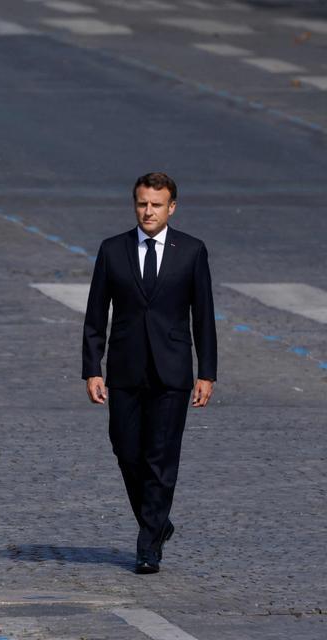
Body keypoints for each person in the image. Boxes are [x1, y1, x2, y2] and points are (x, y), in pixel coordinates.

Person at [82, 172, 217, 574]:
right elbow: (95, 317)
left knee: (162, 457)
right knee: (126, 451)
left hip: (172, 372)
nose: (148, 211)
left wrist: (206, 373)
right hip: (124, 371)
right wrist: (93, 368)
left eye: (156, 205)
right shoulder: (112, 250)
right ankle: (158, 521)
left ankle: (148, 545)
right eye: (142, 203)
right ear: (134, 204)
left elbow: (204, 317)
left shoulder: (191, 251)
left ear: (171, 207)